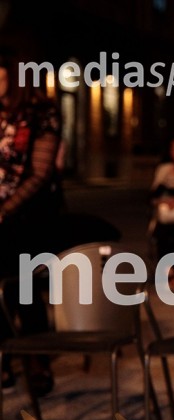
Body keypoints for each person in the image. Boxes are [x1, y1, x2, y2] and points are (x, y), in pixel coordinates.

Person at [0, 54, 61, 395]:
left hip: (28, 217)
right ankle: (5, 361)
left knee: (25, 290)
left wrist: (6, 208)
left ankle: (38, 361)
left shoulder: (42, 112)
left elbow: (40, 171)